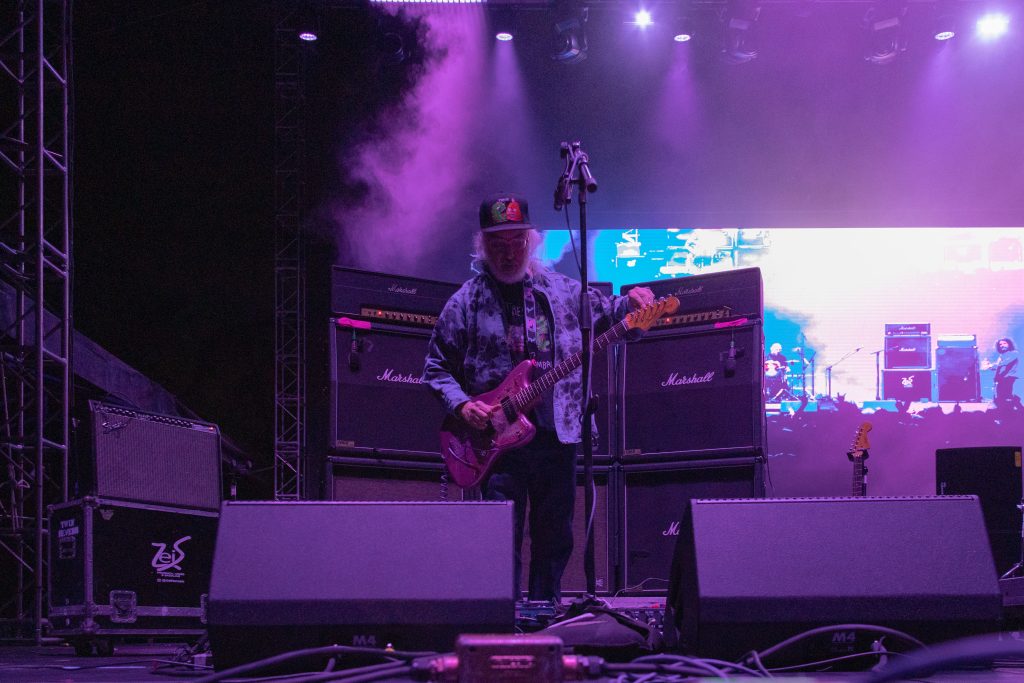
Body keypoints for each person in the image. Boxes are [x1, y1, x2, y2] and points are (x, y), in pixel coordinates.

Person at [422, 193, 655, 603]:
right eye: (498, 244)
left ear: (530, 241)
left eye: (516, 241)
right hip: (495, 443)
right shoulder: (466, 301)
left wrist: (635, 303)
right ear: (483, 246)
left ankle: (545, 613)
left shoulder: (564, 291)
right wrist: (463, 405)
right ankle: (502, 620)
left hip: (556, 434)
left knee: (555, 537)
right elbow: (436, 367)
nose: (508, 252)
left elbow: (613, 312)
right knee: (500, 539)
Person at [983, 338, 1021, 411]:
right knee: (1000, 398)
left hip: (1009, 378)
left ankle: (1014, 413)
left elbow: (1005, 363)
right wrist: (989, 366)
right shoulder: (1001, 355)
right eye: (1000, 344)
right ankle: (1003, 413)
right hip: (1001, 380)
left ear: (1009, 344)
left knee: (1008, 398)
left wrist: (991, 365)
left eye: (1004, 343)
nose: (1002, 345)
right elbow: (997, 367)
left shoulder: (1014, 353)